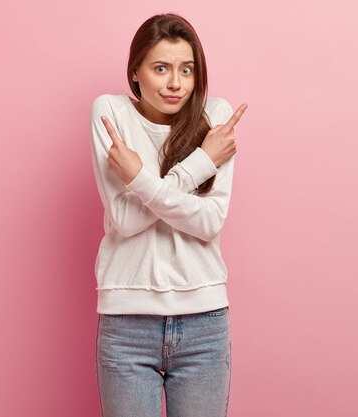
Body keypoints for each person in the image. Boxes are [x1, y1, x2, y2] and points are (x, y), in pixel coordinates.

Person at [89, 12, 247, 417]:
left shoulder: (216, 120)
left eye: (186, 70)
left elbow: (209, 222)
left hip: (204, 324)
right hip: (127, 325)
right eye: (161, 68)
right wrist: (200, 164)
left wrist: (139, 178)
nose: (175, 83)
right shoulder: (111, 113)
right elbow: (125, 220)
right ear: (136, 72)